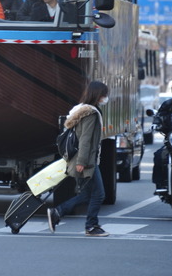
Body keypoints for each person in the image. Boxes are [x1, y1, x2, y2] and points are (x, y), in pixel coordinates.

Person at [47, 80, 110, 237]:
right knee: (99, 194)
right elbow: (85, 139)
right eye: (104, 94)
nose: (106, 97)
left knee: (87, 194)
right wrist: (82, 162)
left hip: (82, 159)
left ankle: (57, 212)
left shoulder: (80, 110)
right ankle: (91, 226)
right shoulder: (91, 114)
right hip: (86, 161)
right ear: (98, 95)